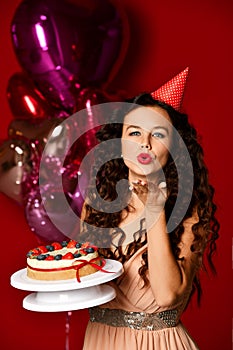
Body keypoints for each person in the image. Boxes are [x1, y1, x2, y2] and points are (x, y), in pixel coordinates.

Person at [79, 68, 220, 350]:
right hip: (100, 341)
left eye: (158, 134)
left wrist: (154, 207)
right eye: (134, 132)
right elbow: (85, 283)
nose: (144, 142)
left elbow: (167, 295)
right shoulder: (96, 207)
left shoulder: (190, 213)